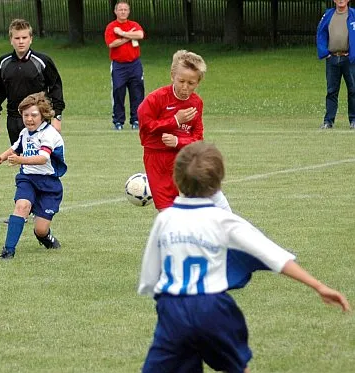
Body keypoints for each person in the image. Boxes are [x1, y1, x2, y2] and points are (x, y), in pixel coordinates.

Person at [138, 141, 351, 373]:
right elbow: (272, 255)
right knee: (237, 367)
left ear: (176, 179)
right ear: (218, 184)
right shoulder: (223, 220)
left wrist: (160, 300)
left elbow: (150, 275)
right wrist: (318, 286)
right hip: (212, 307)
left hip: (172, 308)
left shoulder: (165, 219)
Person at [138, 49, 230, 212]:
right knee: (167, 209)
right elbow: (146, 126)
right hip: (157, 157)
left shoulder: (196, 103)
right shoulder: (155, 99)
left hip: (186, 155)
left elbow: (198, 138)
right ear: (172, 75)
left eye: (191, 83)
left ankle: (226, 224)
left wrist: (178, 142)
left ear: (198, 82)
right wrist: (175, 121)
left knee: (209, 188)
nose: (185, 87)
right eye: (181, 81)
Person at [0, 92, 67, 259]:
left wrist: (20, 160)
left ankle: (46, 237)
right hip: (28, 179)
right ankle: (8, 251)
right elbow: (15, 148)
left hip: (49, 184)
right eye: (25, 115)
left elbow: (43, 158)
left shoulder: (50, 134)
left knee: (40, 229)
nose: (29, 119)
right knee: (22, 206)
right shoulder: (25, 133)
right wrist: (1, 158)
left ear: (43, 115)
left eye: (34, 115)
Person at [0, 18, 65, 145]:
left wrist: (57, 116)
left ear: (31, 39)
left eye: (24, 38)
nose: (21, 42)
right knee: (19, 159)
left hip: (38, 117)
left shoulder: (43, 61)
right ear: (11, 40)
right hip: (13, 119)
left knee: (39, 158)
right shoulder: (3, 62)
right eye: (17, 38)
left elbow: (55, 87)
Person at [104, 0, 145, 130]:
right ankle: (118, 121)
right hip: (119, 66)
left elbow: (140, 34)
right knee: (118, 91)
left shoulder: (134, 24)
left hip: (135, 64)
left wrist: (122, 34)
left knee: (137, 92)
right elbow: (112, 43)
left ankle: (136, 120)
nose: (123, 12)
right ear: (115, 11)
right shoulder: (111, 26)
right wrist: (128, 37)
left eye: (125, 9)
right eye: (120, 9)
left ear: (128, 11)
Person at [317, 0, 355, 129]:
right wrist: (324, 53)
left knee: (353, 89)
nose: (341, 0)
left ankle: (353, 120)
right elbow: (320, 33)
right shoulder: (328, 15)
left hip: (349, 59)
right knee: (331, 91)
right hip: (332, 58)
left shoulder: (353, 15)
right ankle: (328, 121)